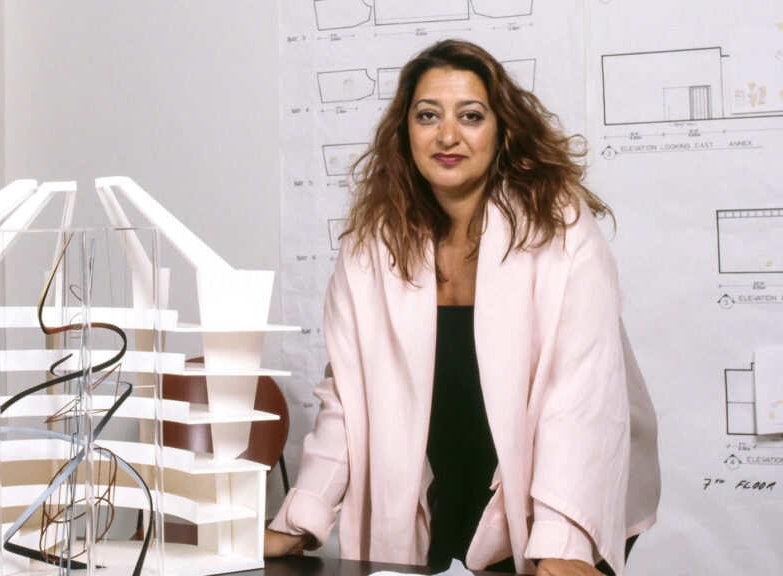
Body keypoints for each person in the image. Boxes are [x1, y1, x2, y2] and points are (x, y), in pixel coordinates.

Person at [264, 39, 660, 576]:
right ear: (405, 131)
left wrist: (563, 538)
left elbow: (580, 398)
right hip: (438, 476)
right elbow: (348, 398)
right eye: (428, 116)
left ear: (501, 130)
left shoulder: (561, 229)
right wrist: (299, 517)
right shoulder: (371, 245)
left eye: (470, 116)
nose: (447, 136)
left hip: (558, 484)